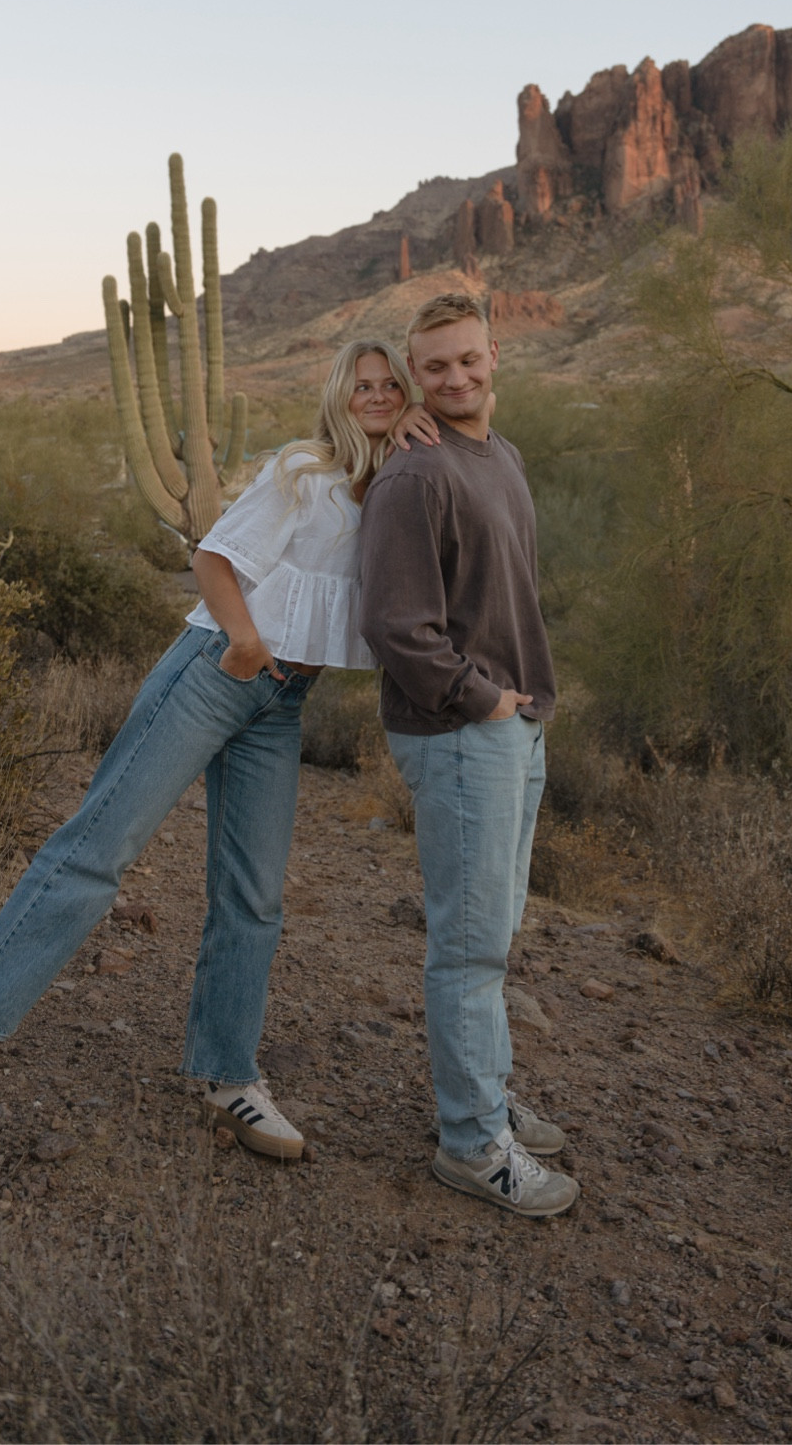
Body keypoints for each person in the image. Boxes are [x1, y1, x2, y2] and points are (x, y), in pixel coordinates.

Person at [0, 339, 436, 1162]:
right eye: (362, 386)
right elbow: (212, 556)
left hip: (280, 700)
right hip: (216, 671)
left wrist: (419, 423)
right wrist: (239, 643)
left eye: (390, 387)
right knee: (100, 849)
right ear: (337, 397)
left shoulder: (388, 488)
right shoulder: (301, 470)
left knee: (254, 897)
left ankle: (226, 1075)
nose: (375, 397)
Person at [359, 293, 580, 1219]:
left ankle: (485, 1097)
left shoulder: (504, 457)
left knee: (495, 932)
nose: (454, 379)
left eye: (467, 360)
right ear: (416, 375)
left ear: (497, 354)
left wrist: (519, 709)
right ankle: (469, 1142)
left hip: (511, 729)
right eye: (434, 368)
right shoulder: (416, 476)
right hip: (459, 736)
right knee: (468, 947)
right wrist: (483, 699)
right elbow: (394, 626)